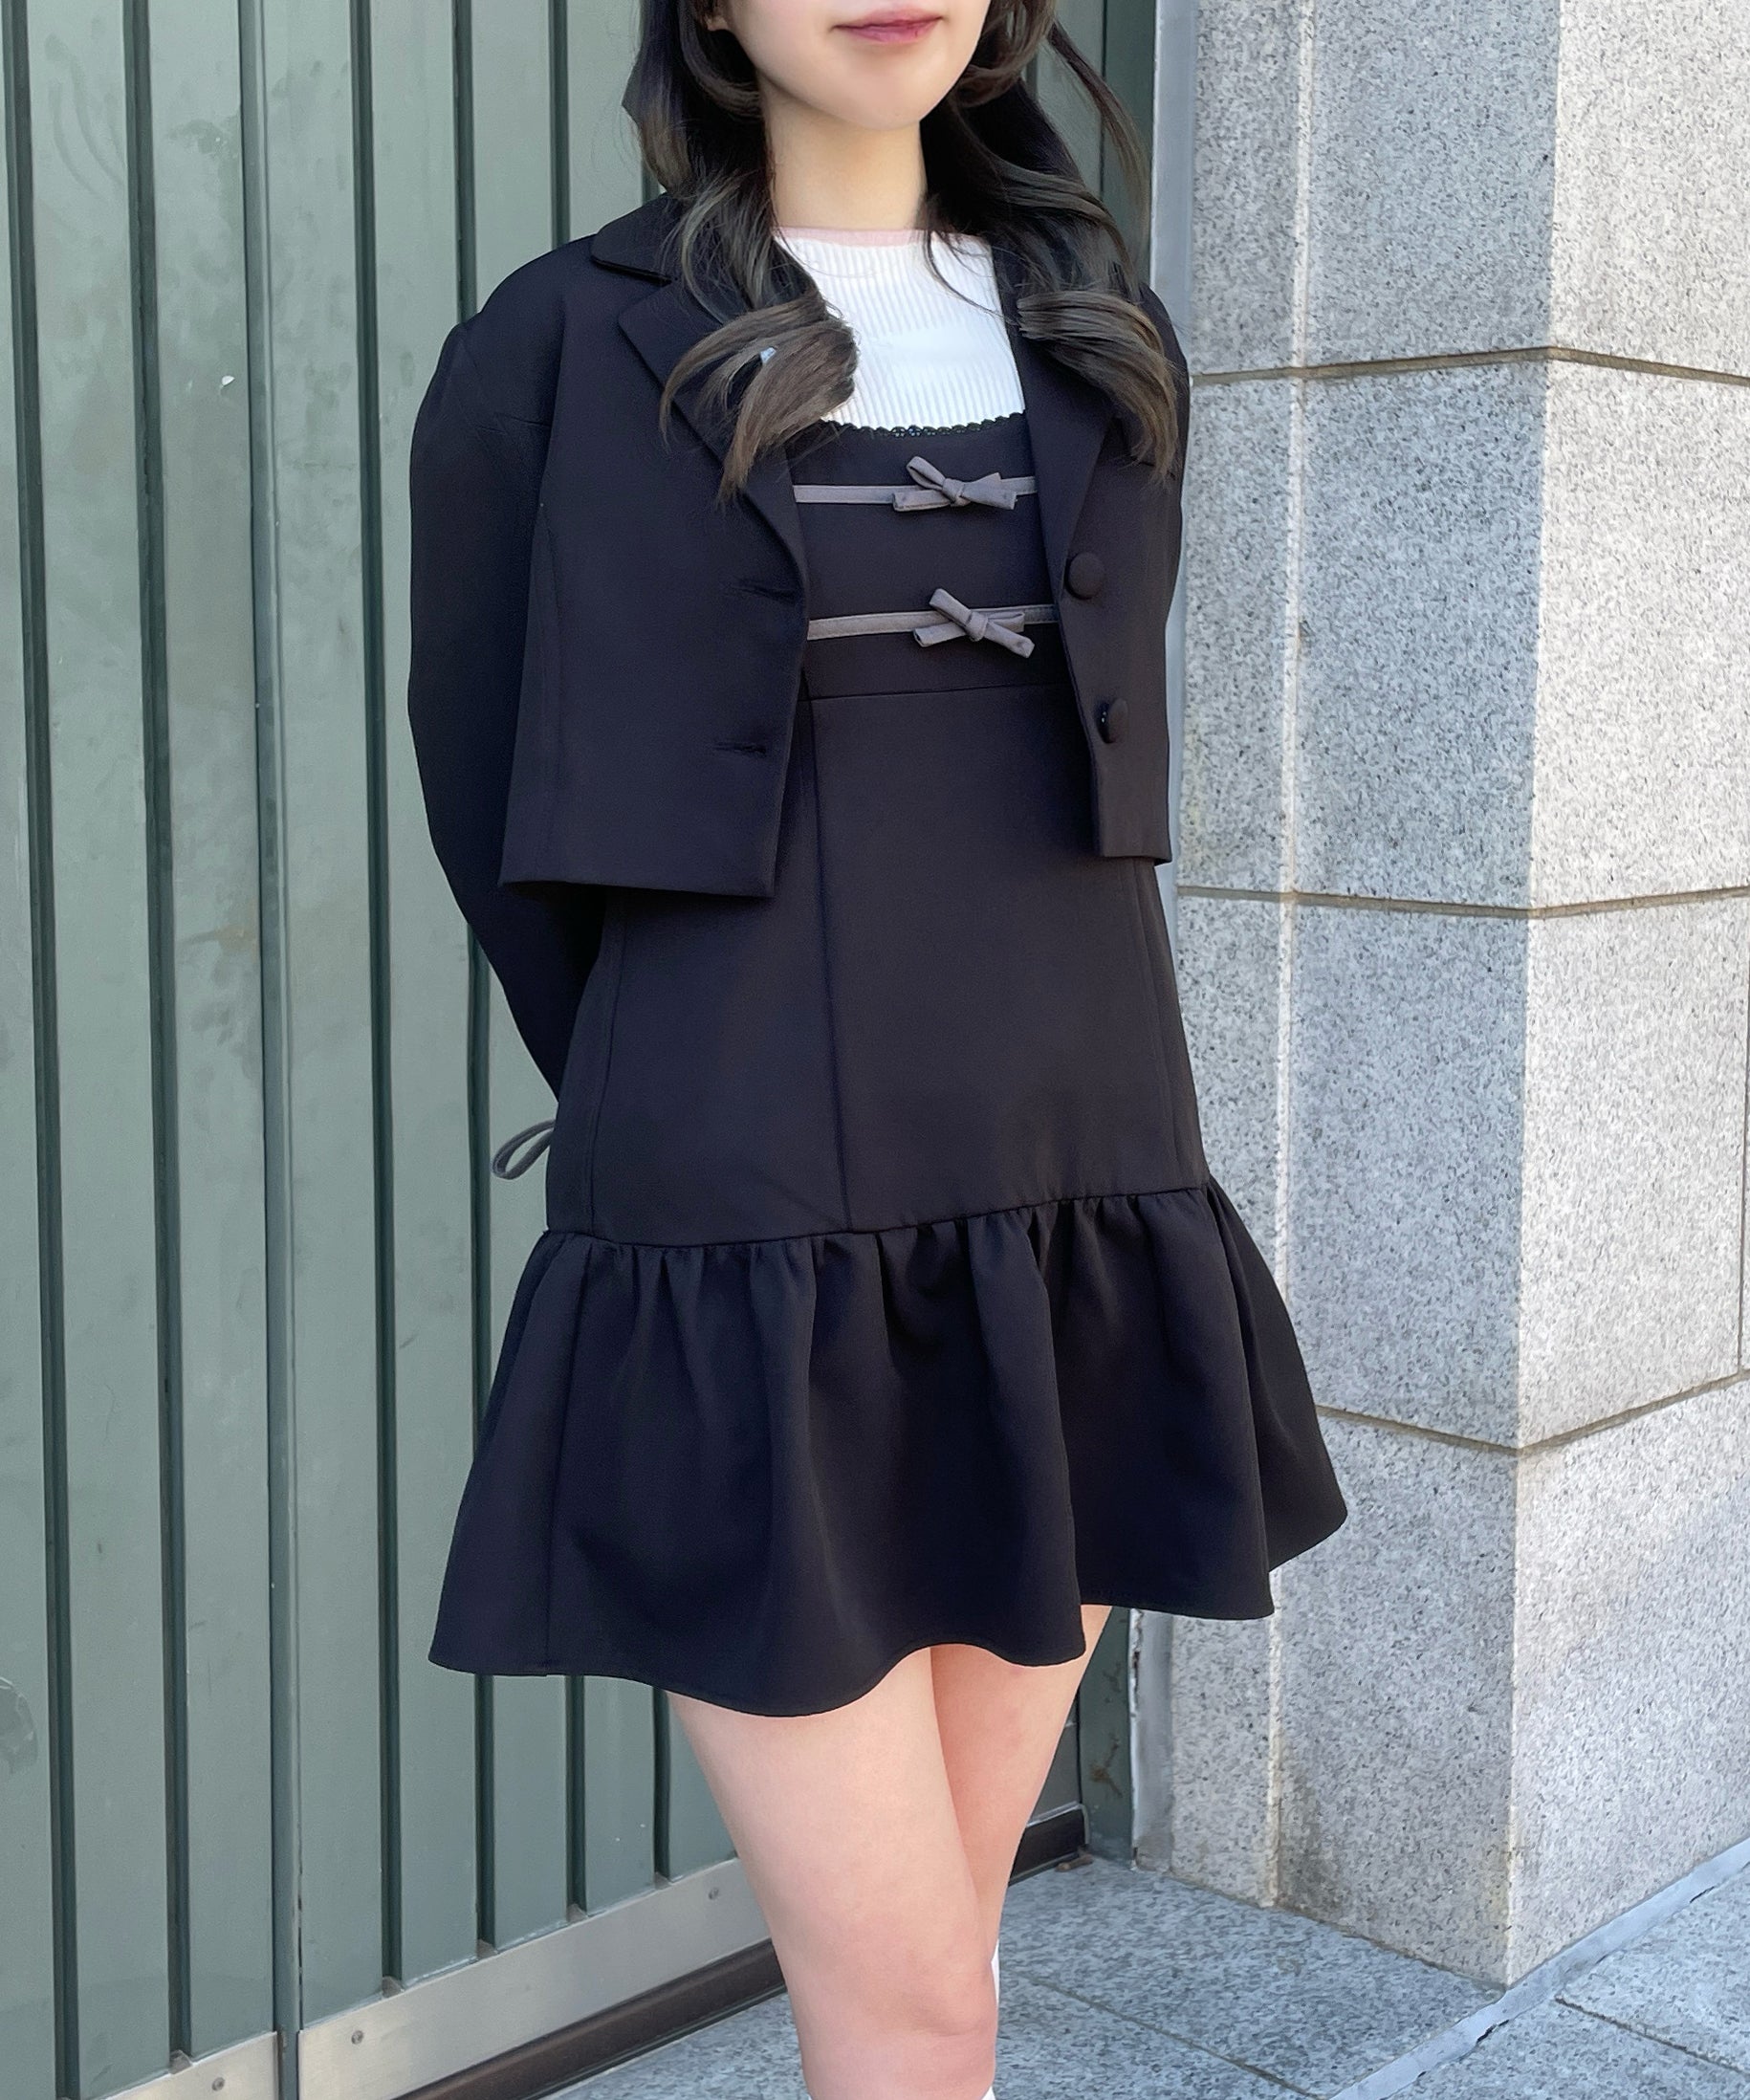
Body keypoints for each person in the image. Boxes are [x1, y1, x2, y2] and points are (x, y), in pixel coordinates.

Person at [405, 3, 1347, 2095]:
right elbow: (486, 799)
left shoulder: (1101, 330)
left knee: (955, 1973)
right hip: (748, 1229)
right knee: (907, 2001)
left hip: (1079, 1196)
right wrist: (684, 1084)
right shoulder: (554, 344)